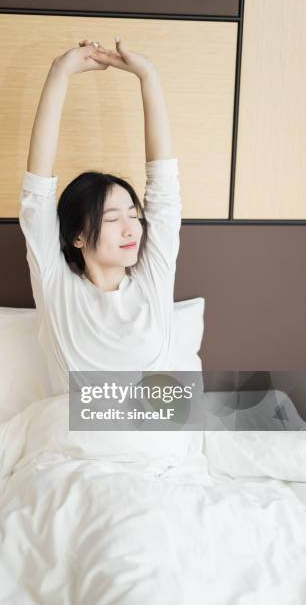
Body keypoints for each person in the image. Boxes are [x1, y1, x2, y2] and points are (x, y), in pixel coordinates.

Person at [19, 37, 182, 396]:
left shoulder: (153, 279)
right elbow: (37, 191)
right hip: (78, 450)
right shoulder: (56, 287)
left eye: (132, 214)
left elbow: (165, 187)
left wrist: (148, 76)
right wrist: (59, 73)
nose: (130, 229)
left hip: (158, 448)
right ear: (77, 236)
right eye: (111, 219)